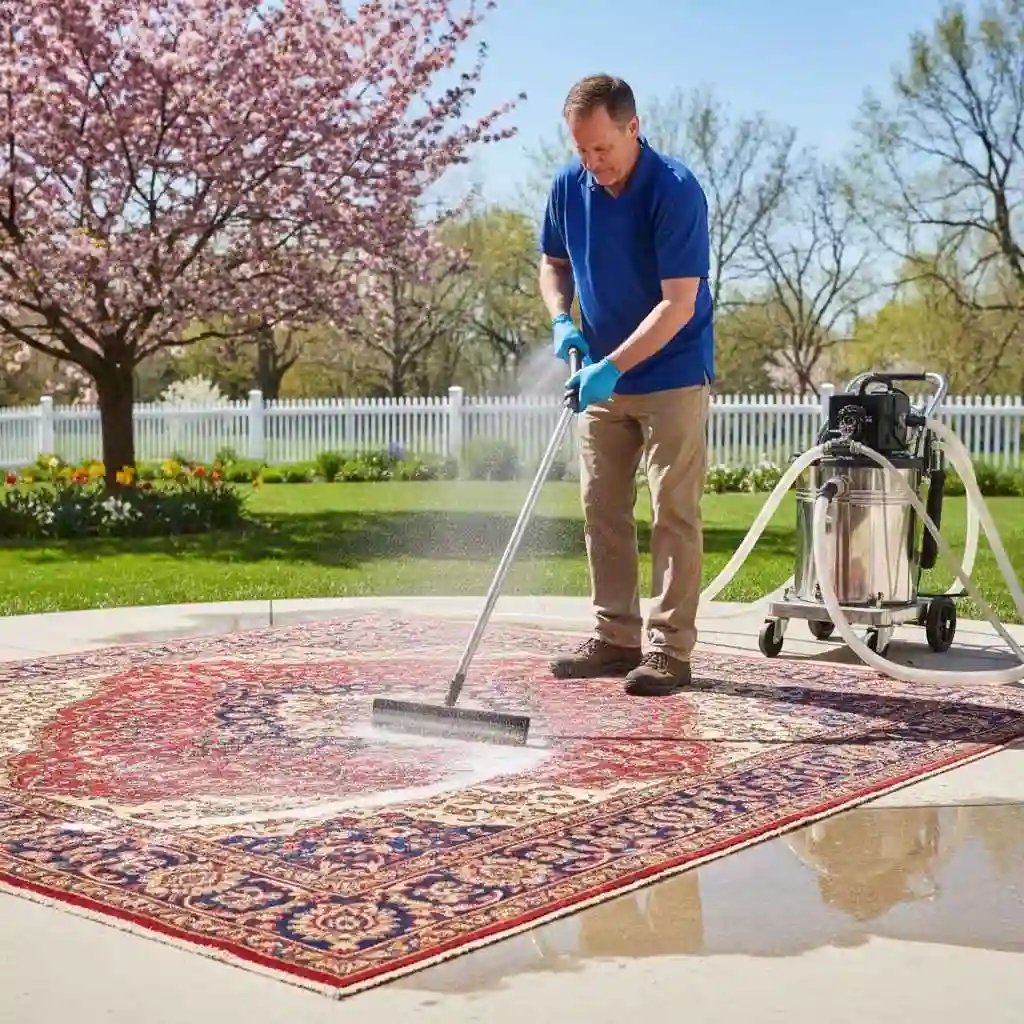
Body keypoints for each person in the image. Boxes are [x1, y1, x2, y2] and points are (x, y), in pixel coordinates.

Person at [537, 73, 714, 697]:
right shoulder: (569, 185)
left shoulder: (675, 190)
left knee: (674, 511)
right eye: (581, 150)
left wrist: (613, 364)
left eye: (602, 148)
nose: (591, 162)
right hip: (600, 376)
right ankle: (616, 636)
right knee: (602, 507)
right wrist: (563, 319)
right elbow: (553, 263)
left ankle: (670, 651)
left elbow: (678, 304)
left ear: (632, 127)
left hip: (671, 371)